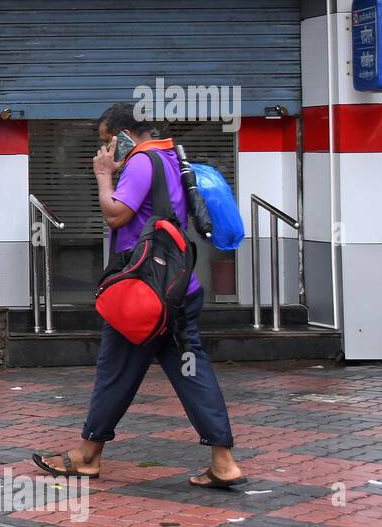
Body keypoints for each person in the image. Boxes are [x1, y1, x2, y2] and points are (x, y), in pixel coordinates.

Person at [32, 102, 245, 489]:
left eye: (109, 140)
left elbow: (116, 214)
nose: (109, 148)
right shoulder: (168, 155)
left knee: (115, 370)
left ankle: (86, 456)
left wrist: (103, 176)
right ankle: (223, 461)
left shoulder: (144, 161)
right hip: (178, 290)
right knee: (190, 371)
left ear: (127, 132)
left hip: (143, 294)